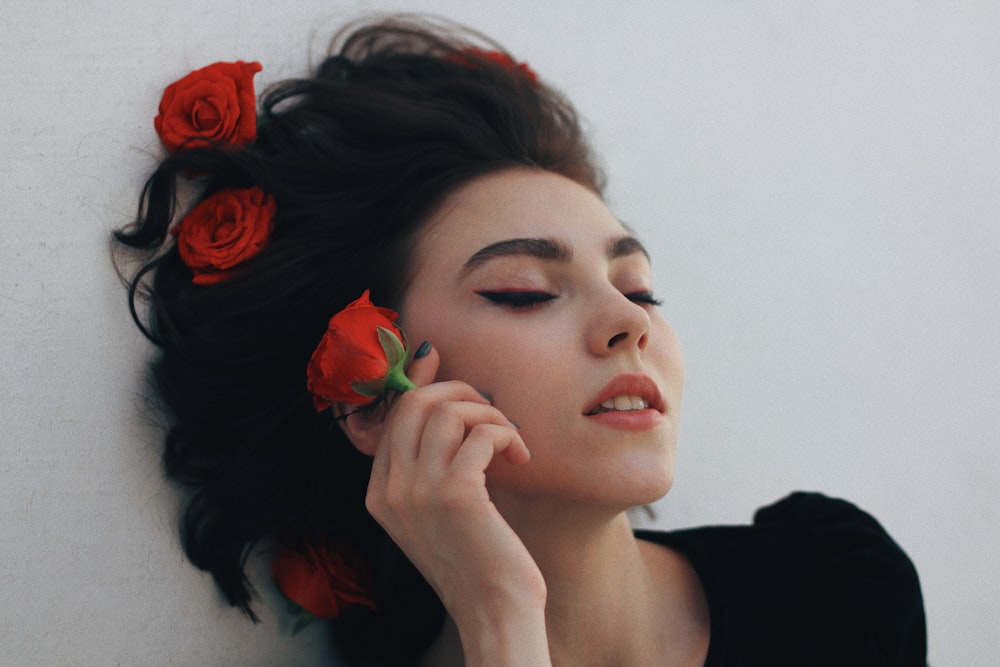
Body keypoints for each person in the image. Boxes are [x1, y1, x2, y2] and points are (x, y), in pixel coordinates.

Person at [115, 15, 927, 666]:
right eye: (525, 293)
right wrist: (503, 621)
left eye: (639, 286)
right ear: (370, 404)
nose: (631, 321)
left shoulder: (836, 590)